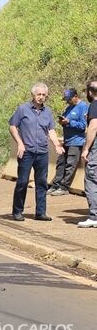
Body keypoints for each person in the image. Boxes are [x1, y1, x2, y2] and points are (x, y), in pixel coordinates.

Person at [8, 83, 65, 221]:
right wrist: (20, 143)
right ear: (33, 95)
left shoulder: (47, 112)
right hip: (27, 151)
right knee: (22, 182)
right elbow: (13, 126)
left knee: (42, 182)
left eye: (43, 95)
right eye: (38, 94)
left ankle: (40, 212)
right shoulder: (23, 109)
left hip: (42, 152)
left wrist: (57, 144)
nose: (41, 97)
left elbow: (50, 130)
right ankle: (17, 211)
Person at [48, 88, 88, 196]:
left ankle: (64, 187)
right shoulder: (69, 107)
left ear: (76, 96)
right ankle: (56, 184)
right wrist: (63, 122)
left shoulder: (83, 107)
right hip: (67, 140)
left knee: (70, 165)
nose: (68, 102)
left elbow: (84, 126)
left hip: (76, 141)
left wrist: (70, 122)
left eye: (69, 99)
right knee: (60, 163)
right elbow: (66, 120)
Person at [78, 81, 97, 228]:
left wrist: (86, 149)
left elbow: (93, 127)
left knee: (91, 179)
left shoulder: (94, 105)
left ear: (90, 92)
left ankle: (94, 215)